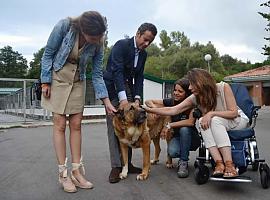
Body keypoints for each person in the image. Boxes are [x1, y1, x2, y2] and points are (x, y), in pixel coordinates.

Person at [40, 11, 116, 193]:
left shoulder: (99, 42)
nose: (96, 40)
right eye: (93, 37)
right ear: (82, 28)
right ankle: (63, 174)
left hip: (77, 81)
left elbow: (97, 73)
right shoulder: (64, 27)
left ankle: (76, 171)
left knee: (76, 125)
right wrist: (45, 81)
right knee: (59, 124)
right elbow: (48, 54)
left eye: (99, 37)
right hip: (58, 77)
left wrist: (106, 101)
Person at [143, 68, 249, 178]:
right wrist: (148, 109)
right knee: (202, 121)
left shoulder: (222, 87)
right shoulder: (195, 98)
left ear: (200, 81)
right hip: (216, 124)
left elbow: (233, 113)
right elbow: (173, 109)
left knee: (212, 120)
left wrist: (210, 114)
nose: (189, 88)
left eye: (191, 84)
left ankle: (229, 165)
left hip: (237, 121)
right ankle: (219, 164)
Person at [103, 23, 157, 183]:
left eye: (150, 42)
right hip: (112, 86)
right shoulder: (121, 45)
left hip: (129, 88)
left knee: (133, 122)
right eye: (145, 39)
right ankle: (116, 166)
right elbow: (117, 72)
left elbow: (139, 77)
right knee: (114, 125)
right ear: (138, 34)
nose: (146, 44)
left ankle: (128, 164)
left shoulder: (143, 54)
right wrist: (123, 100)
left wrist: (138, 98)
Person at [145, 78, 200, 178]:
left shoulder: (192, 103)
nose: (176, 93)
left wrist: (169, 125)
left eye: (180, 91)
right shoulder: (171, 101)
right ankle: (181, 154)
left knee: (184, 129)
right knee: (172, 152)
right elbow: (148, 101)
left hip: (191, 138)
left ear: (187, 93)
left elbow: (190, 122)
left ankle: (183, 162)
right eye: (175, 90)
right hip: (177, 138)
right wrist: (154, 110)